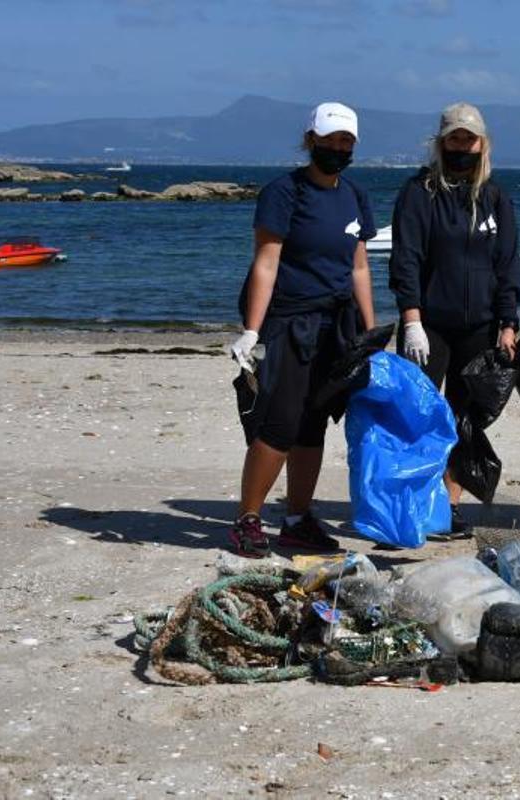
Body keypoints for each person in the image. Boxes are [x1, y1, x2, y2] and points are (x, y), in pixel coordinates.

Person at [228, 101, 377, 557]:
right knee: (280, 423)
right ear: (310, 139)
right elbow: (267, 262)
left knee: (314, 425)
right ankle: (247, 520)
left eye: (345, 141)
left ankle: (296, 520)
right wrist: (252, 331)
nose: (336, 148)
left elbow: (359, 268)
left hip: (336, 325)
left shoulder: (354, 196)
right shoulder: (283, 192)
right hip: (289, 322)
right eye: (329, 139)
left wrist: (369, 334)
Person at [389, 102, 520, 537]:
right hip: (429, 325)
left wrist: (508, 322)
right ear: (441, 142)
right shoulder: (419, 193)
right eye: (454, 139)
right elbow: (405, 257)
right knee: (418, 417)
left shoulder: (495, 198)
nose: (462, 146)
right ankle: (411, 502)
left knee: (463, 419)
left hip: (480, 326)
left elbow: (507, 266)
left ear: (482, 144)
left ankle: (448, 505)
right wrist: (411, 318)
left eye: (469, 139)